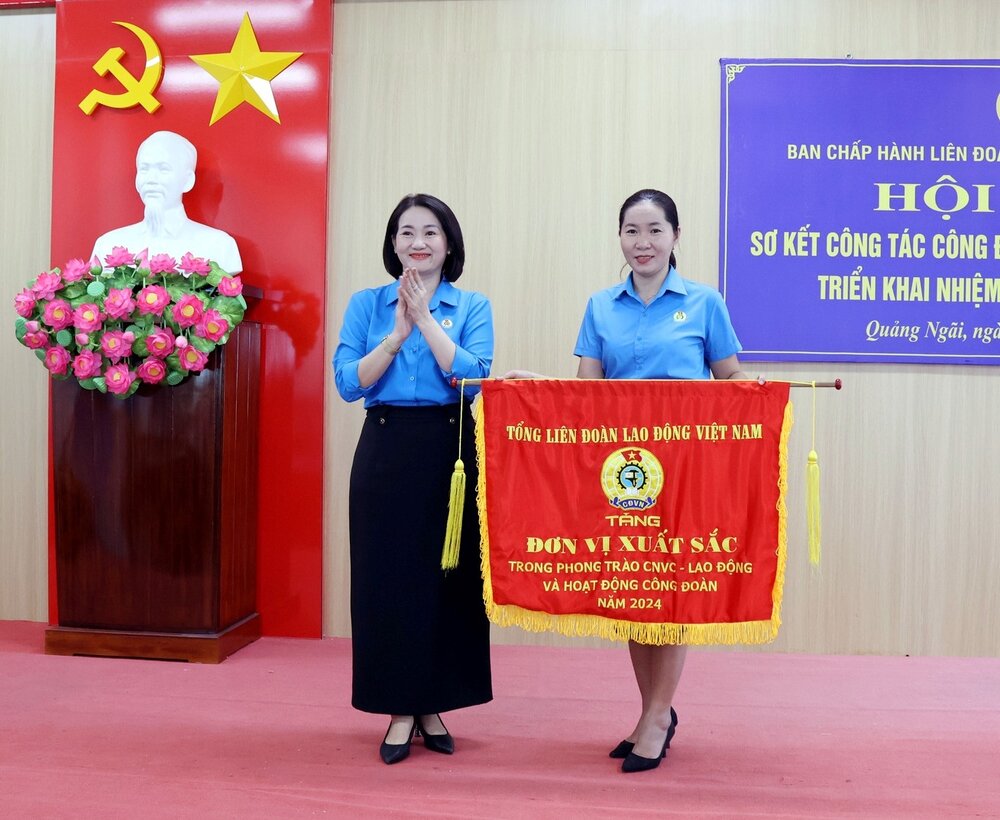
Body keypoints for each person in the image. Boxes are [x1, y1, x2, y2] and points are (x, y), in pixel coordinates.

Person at [507, 188, 748, 773]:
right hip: (624, 474)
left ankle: (658, 715)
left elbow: (732, 381)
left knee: (672, 595)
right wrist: (533, 385)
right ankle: (653, 714)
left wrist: (764, 394)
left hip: (686, 471)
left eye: (655, 230)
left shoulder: (705, 302)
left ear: (676, 236)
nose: (643, 243)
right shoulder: (600, 306)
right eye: (632, 231)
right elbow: (586, 396)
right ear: (620, 238)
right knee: (635, 594)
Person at [333, 193, 494, 765]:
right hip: (386, 448)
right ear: (393, 244)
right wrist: (398, 332)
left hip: (450, 452)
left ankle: (434, 703)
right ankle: (400, 708)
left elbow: (474, 376)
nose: (417, 242)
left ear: (449, 244)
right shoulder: (366, 304)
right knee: (388, 579)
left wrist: (426, 319)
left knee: (446, 579)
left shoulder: (471, 304)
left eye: (430, 232)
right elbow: (350, 382)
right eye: (406, 232)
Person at [91, 130, 242, 273]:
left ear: (188, 180)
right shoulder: (108, 245)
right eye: (144, 169)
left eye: (163, 169)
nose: (151, 179)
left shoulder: (219, 246)